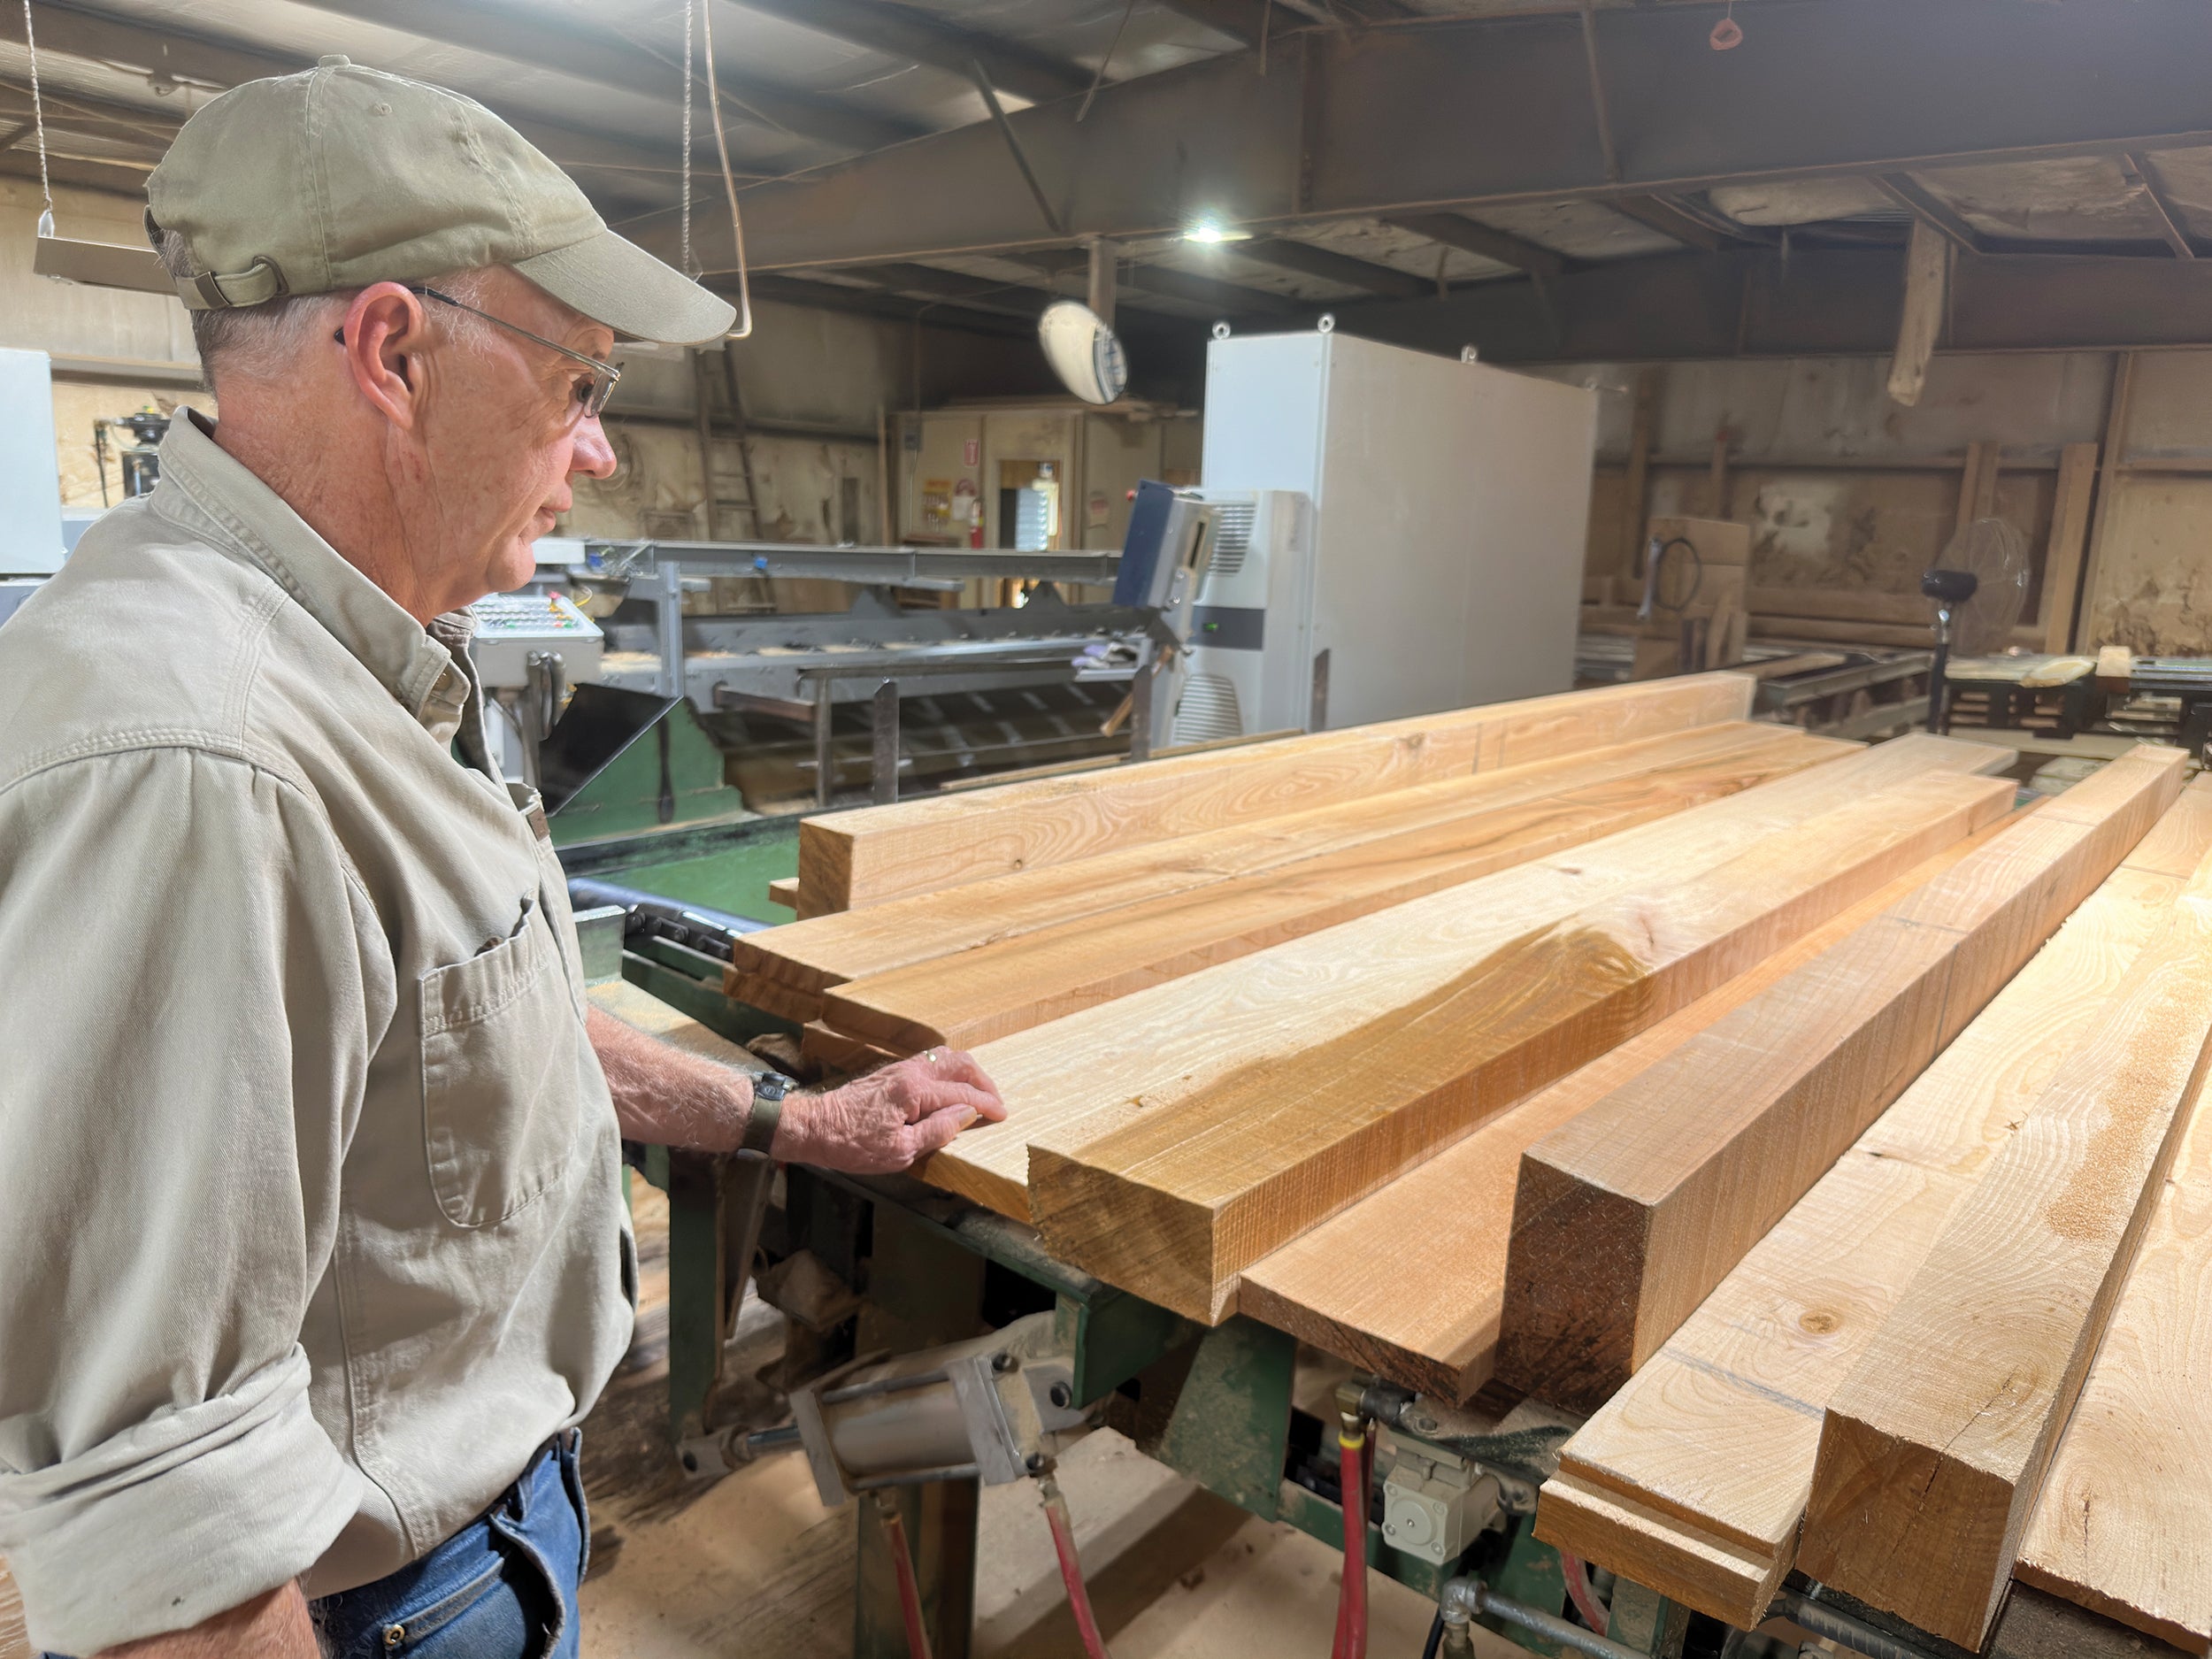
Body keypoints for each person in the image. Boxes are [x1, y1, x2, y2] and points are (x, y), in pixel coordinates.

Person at [0, 56, 1006, 1659]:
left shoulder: (352, 661)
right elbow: (165, 1539)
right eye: (581, 383)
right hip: (382, 1613)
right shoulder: (202, 762)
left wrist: (787, 1118)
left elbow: (474, 1030)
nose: (597, 449)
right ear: (393, 351)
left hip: (483, 1536)